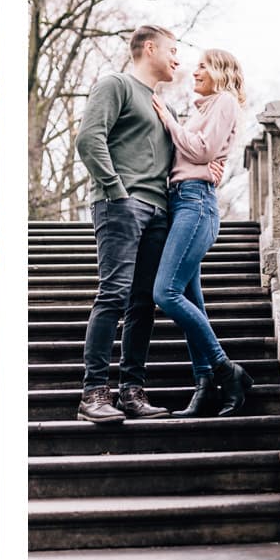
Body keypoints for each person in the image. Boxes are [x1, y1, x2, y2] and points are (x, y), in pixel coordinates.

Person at [74, 25, 180, 423]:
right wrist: (117, 190)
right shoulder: (115, 84)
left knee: (143, 303)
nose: (177, 59)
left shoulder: (160, 104)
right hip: (121, 206)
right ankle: (93, 394)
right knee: (113, 295)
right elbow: (89, 138)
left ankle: (132, 393)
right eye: (172, 49)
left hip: (158, 212)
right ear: (148, 48)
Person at [149, 49, 253, 416]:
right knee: (192, 299)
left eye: (204, 66)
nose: (196, 71)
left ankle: (228, 369)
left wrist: (169, 121)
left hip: (197, 203)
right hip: (180, 203)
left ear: (222, 72)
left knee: (165, 292)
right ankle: (205, 383)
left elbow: (203, 150)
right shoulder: (203, 109)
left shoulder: (224, 102)